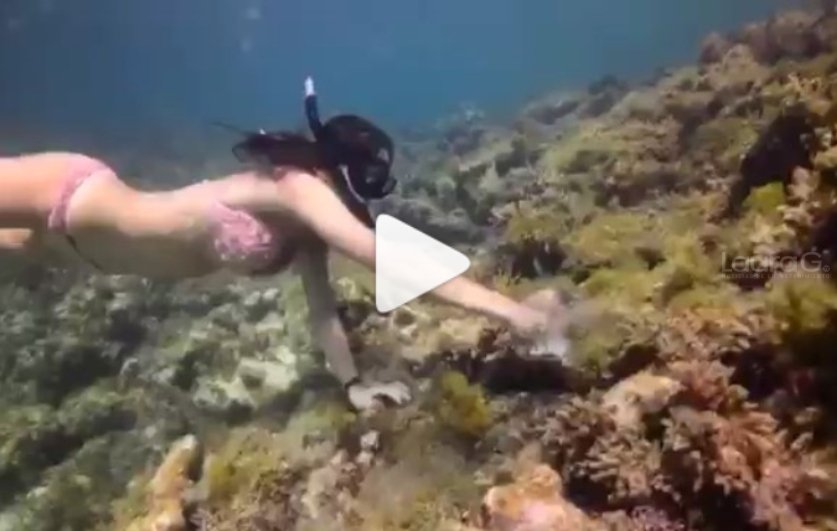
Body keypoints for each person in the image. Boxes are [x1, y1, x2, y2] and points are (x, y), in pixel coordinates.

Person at [0, 78, 566, 410]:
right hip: (71, 194)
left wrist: (353, 386)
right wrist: (516, 315)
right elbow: (384, 258)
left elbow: (323, 314)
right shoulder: (298, 188)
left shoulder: (304, 226)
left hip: (70, 250)